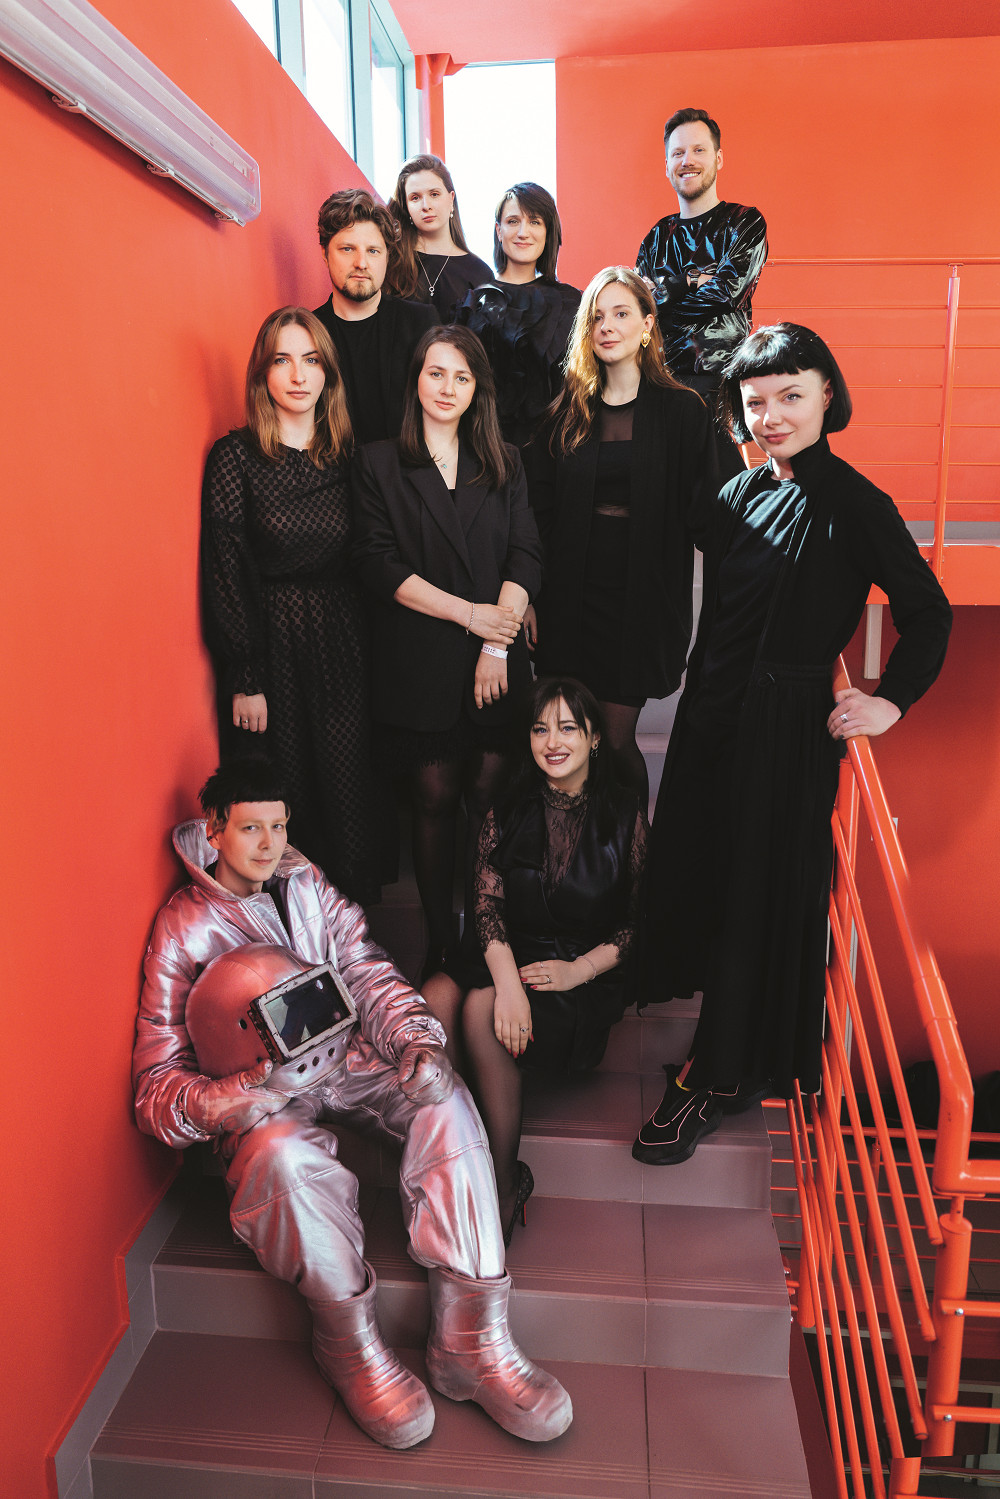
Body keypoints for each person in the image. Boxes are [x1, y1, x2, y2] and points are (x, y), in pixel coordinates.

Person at [132, 759, 572, 1450]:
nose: (270, 844)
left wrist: (417, 1040)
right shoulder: (181, 927)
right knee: (284, 1162)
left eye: (279, 826)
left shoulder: (305, 882)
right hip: (263, 1098)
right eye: (250, 829)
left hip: (352, 1058)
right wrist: (246, 1093)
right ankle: (350, 1347)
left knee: (444, 1097)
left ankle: (473, 1340)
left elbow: (366, 971)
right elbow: (156, 1088)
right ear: (213, 830)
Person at [633, 324, 952, 1165]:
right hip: (713, 715)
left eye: (790, 396)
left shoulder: (857, 502)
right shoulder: (740, 492)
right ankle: (727, 1056)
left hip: (784, 731)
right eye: (755, 402)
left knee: (752, 899)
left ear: (826, 396)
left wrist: (889, 703)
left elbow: (929, 612)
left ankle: (712, 1076)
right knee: (704, 875)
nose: (770, 415)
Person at [423, 678, 647, 1240]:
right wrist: (509, 986)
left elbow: (641, 922)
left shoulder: (624, 814)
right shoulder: (508, 807)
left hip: (578, 970)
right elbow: (487, 906)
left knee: (478, 1009)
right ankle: (456, 1158)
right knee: (435, 999)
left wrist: (579, 970)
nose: (553, 741)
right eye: (541, 728)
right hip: (508, 951)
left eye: (568, 728)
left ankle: (502, 1183)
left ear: (595, 738)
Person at [352, 325, 543, 977]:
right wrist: (471, 617)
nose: (448, 388)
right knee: (433, 799)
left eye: (462, 377)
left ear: (477, 390)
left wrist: (497, 640)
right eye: (436, 373)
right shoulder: (379, 462)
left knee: (487, 800)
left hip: (496, 659)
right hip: (421, 658)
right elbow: (378, 565)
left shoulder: (505, 460)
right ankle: (440, 940)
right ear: (416, 380)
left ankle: (485, 935)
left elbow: (526, 555)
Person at [200, 305, 380, 904]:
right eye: (282, 360)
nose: (299, 375)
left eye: (311, 360)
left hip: (343, 646)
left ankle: (350, 942)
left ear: (328, 373)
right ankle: (287, 946)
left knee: (348, 799)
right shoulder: (236, 457)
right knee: (282, 801)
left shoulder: (351, 457)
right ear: (263, 374)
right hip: (271, 650)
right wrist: (245, 675)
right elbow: (226, 569)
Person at [529, 266, 718, 806]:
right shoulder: (567, 410)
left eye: (620, 314)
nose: (606, 327)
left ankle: (635, 854)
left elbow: (707, 513)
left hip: (640, 602)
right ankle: (574, 853)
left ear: (647, 325)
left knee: (612, 743)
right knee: (567, 749)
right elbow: (538, 511)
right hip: (569, 599)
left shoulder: (682, 410)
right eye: (596, 318)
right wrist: (530, 595)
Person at [635, 107, 767, 484]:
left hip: (719, 386)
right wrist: (693, 280)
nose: (687, 161)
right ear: (667, 166)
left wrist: (669, 291)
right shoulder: (656, 237)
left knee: (724, 499)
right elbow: (640, 310)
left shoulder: (745, 222)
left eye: (698, 150)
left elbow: (727, 293)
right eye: (677, 153)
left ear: (718, 158)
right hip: (660, 385)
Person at [456, 182, 581, 450]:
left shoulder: (573, 303)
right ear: (499, 231)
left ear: (548, 231)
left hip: (555, 450)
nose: (523, 232)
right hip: (483, 449)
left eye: (535, 222)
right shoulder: (473, 304)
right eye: (513, 221)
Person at [312, 188, 439, 444]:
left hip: (407, 466)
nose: (361, 263)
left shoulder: (421, 324)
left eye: (373, 251)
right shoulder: (309, 333)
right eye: (347, 249)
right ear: (325, 254)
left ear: (387, 257)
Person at [387, 154, 493, 323]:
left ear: (451, 198)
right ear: (406, 207)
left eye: (434, 194)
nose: (426, 206)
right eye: (415, 198)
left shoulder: (480, 273)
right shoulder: (390, 263)